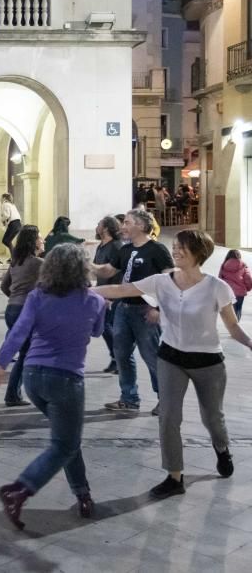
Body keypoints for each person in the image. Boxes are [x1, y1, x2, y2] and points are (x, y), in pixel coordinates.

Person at [94, 230, 246, 500]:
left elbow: (233, 328)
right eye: (174, 246)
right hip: (170, 358)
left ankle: (221, 449)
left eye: (182, 247)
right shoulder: (161, 282)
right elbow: (121, 289)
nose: (175, 250)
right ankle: (175, 477)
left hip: (208, 362)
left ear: (199, 252)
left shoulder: (216, 287)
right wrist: (83, 291)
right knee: (168, 418)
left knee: (212, 419)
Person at [0, 244, 107, 530]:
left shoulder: (37, 296)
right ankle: (20, 489)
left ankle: (83, 494)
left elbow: (19, 331)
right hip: (66, 380)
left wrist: (1, 363)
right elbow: (97, 331)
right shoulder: (94, 301)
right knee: (64, 443)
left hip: (32, 377)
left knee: (67, 440)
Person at [93, 208, 174, 414]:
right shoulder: (125, 250)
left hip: (145, 310)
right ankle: (129, 398)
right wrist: (86, 264)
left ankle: (166, 400)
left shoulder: (157, 250)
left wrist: (157, 307)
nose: (123, 227)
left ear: (140, 225)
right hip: (124, 308)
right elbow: (109, 271)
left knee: (152, 356)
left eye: (127, 222)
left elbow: (169, 281)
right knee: (121, 355)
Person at [0, 225, 44, 407]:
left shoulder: (15, 262)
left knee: (27, 351)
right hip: (25, 311)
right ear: (33, 242)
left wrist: (15, 298)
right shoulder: (38, 264)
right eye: (40, 238)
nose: (43, 240)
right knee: (27, 354)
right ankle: (13, 395)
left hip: (11, 310)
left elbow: (4, 286)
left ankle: (17, 392)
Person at [93, 216, 123, 374]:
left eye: (99, 223)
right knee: (104, 326)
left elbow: (118, 272)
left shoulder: (117, 247)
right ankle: (116, 358)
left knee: (106, 325)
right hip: (101, 291)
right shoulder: (101, 246)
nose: (96, 226)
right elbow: (96, 268)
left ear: (105, 228)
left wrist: (110, 297)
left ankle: (118, 358)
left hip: (113, 294)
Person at [218, 249, 252, 320]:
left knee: (231, 310)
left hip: (228, 291)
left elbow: (220, 278)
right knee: (238, 309)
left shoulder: (224, 265)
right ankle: (236, 324)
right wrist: (248, 288)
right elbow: (248, 278)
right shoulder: (243, 265)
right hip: (240, 293)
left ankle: (232, 324)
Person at [0, 193, 22, 259]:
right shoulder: (12, 205)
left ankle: (15, 256)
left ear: (4, 198)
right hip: (18, 224)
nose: (0, 199)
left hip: (13, 224)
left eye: (1, 197)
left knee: (5, 241)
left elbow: (6, 215)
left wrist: (2, 220)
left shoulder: (5, 204)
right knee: (8, 241)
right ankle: (14, 256)